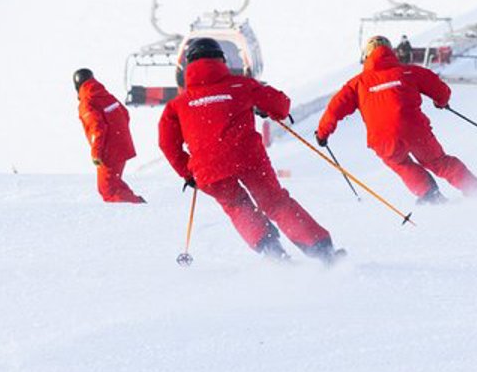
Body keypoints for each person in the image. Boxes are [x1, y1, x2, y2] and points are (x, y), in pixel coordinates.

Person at [158, 38, 342, 264]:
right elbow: (281, 107)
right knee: (275, 203)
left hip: (207, 171)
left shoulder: (177, 104)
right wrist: (262, 106)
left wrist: (188, 173)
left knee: (237, 206)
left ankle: (273, 253)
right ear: (221, 60)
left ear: (188, 66)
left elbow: (167, 144)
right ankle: (323, 251)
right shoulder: (241, 85)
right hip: (248, 159)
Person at [317, 36, 477, 204]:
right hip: (415, 131)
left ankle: (429, 193)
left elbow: (335, 109)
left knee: (400, 163)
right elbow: (440, 89)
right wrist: (441, 102)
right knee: (438, 161)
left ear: (366, 57)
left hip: (383, 138)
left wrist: (323, 134)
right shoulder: (409, 71)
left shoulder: (357, 84)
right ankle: (475, 189)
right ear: (392, 52)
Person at [75, 67, 144, 204]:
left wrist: (96, 153)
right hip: (121, 146)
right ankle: (136, 202)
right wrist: (119, 135)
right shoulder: (106, 95)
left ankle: (135, 207)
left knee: (108, 189)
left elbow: (97, 127)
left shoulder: (87, 102)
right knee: (114, 183)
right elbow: (124, 113)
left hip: (108, 150)